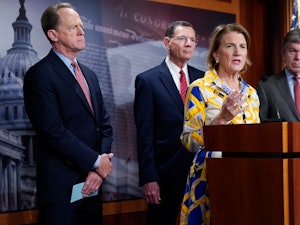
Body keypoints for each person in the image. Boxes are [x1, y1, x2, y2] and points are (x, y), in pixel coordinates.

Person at [23, 3, 114, 225]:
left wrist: (98, 171)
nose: (82, 31)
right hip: (61, 190)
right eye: (73, 27)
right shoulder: (40, 75)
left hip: (94, 185)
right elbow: (52, 131)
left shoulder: (90, 75)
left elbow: (104, 125)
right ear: (53, 34)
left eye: (81, 26)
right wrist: (95, 161)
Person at [180, 23, 260, 225]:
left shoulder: (251, 94)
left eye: (242, 46)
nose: (237, 52)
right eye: (230, 46)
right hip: (210, 181)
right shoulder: (199, 89)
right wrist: (221, 119)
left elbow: (259, 139)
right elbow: (188, 141)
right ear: (216, 53)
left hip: (247, 179)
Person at [133, 21, 204, 225]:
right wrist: (148, 178)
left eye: (192, 40)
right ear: (167, 42)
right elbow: (144, 135)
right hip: (165, 176)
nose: (189, 44)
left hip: (200, 172)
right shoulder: (148, 80)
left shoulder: (203, 79)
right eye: (182, 38)